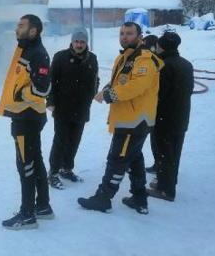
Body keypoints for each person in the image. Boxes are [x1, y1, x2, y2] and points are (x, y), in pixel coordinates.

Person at [78, 22, 163, 215]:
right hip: (127, 118)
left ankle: (103, 198)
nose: (124, 37)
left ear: (140, 36)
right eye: (122, 33)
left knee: (117, 159)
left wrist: (109, 96)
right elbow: (119, 80)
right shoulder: (124, 57)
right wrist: (107, 88)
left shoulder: (145, 60)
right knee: (134, 159)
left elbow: (136, 86)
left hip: (134, 120)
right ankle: (139, 198)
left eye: (129, 33)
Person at [0, 14, 54, 230]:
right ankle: (43, 207)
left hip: (26, 117)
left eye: (21, 25)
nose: (17, 28)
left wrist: (22, 94)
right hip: (26, 116)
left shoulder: (38, 53)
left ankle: (28, 215)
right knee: (35, 161)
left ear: (34, 31)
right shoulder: (26, 49)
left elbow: (43, 89)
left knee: (26, 166)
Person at [47, 28, 99, 189]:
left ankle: (67, 168)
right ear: (72, 41)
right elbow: (51, 81)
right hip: (63, 107)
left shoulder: (92, 59)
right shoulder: (60, 57)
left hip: (82, 107)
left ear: (86, 43)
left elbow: (95, 79)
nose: (79, 44)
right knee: (61, 140)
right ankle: (53, 172)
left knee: (74, 140)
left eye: (82, 42)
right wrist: (50, 101)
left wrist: (92, 94)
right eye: (76, 41)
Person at [146, 31, 194, 201]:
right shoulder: (186, 64)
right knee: (174, 153)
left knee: (164, 153)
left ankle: (165, 190)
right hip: (181, 117)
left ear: (161, 46)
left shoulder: (163, 66)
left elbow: (159, 95)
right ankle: (167, 184)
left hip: (164, 118)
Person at [142, 34, 160, 174]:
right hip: (153, 107)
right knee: (154, 138)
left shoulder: (154, 60)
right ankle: (158, 164)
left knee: (157, 139)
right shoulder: (153, 58)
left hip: (154, 108)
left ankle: (159, 165)